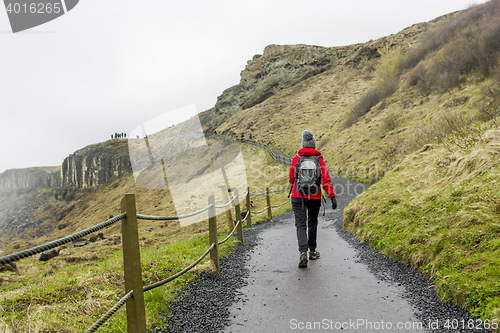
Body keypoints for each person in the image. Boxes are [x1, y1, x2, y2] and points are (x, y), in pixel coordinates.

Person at [289, 130, 337, 268]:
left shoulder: (297, 158)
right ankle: (312, 251)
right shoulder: (319, 159)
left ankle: (303, 253)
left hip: (298, 196)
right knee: (312, 222)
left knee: (300, 224)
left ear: (303, 143)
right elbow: (325, 179)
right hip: (315, 196)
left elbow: (291, 178)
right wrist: (332, 196)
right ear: (314, 144)